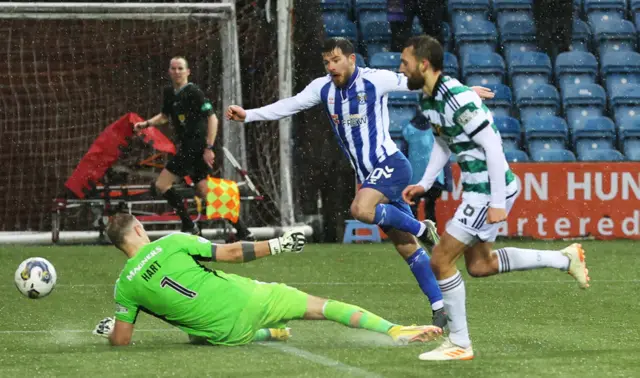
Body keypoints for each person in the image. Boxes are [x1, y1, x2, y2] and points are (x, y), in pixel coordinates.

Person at [225, 37, 494, 329]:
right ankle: (440, 308)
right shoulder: (322, 88)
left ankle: (421, 227)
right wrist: (249, 115)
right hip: (369, 176)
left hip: (391, 165)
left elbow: (419, 80)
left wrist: (464, 92)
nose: (331, 67)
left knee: (360, 210)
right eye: (326, 62)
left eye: (336, 60)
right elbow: (290, 105)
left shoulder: (375, 80)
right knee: (406, 247)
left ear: (352, 59)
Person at [398, 35, 590, 361]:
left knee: (441, 260)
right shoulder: (430, 100)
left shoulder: (458, 98)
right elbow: (445, 143)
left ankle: (459, 343)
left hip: (487, 190)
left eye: (405, 63)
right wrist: (424, 182)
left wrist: (498, 201)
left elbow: (492, 146)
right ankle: (565, 258)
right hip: (480, 189)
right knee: (480, 265)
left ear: (424, 64)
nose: (401, 69)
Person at [92, 213, 442, 346]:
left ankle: (269, 333)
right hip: (250, 299)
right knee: (322, 308)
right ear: (139, 228)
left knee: (195, 332)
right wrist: (278, 244)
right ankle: (395, 330)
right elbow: (229, 253)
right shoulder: (174, 242)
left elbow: (122, 341)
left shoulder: (125, 286)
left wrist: (113, 331)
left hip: (225, 335)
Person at [133, 56, 254, 240]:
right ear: (169, 72)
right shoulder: (169, 92)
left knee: (161, 184)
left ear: (188, 72)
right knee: (204, 191)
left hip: (195, 147)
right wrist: (147, 124)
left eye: (180, 68)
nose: (176, 71)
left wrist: (209, 147)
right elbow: (165, 116)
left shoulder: (194, 92)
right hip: (187, 147)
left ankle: (189, 225)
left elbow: (212, 118)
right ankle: (244, 231)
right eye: (173, 68)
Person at [401, 110, 451, 224]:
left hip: (415, 176)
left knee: (413, 207)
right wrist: (447, 181)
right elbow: (444, 154)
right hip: (434, 177)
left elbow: (403, 154)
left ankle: (413, 233)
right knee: (430, 207)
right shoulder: (437, 127)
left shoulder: (408, 130)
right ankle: (431, 234)